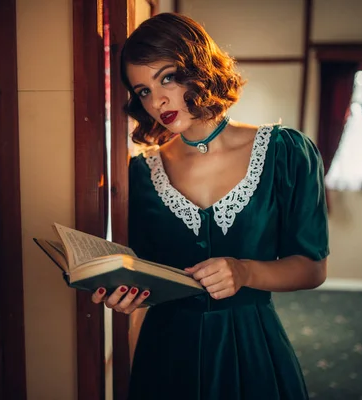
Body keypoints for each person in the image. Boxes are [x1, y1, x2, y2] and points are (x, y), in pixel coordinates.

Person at [91, 12, 329, 400]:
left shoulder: (286, 153)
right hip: (166, 355)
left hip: (251, 349)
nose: (158, 100)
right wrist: (127, 295)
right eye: (143, 91)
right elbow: (147, 273)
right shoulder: (139, 173)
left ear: (198, 68)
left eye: (166, 77)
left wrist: (244, 271)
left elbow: (313, 268)